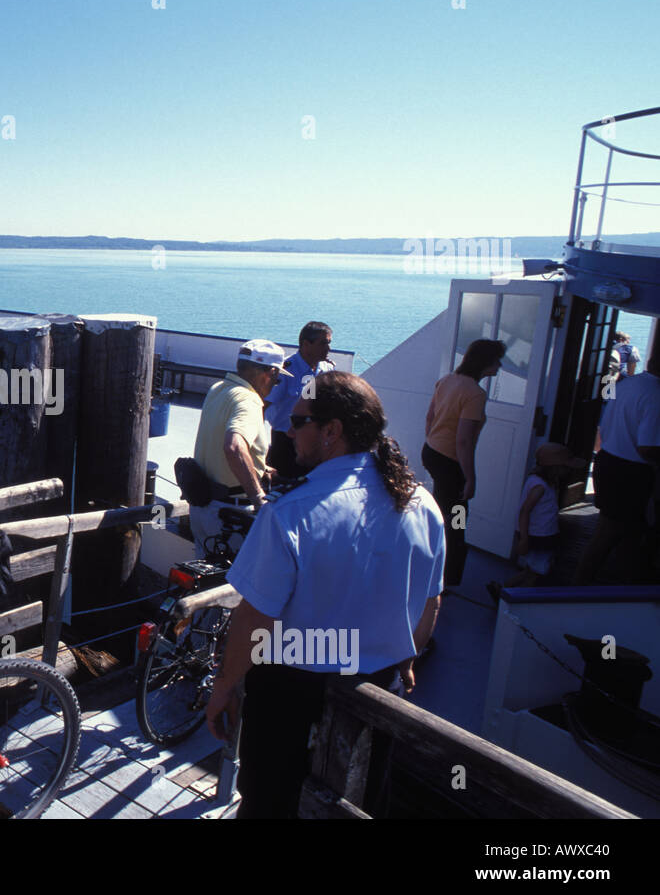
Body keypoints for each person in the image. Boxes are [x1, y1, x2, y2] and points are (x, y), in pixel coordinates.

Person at [204, 372, 446, 818]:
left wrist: (223, 687)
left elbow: (255, 621)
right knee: (356, 804)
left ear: (331, 431)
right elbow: (430, 604)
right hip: (379, 689)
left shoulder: (290, 513)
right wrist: (407, 662)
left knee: (269, 804)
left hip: (291, 694)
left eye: (299, 422)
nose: (290, 432)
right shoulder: (422, 503)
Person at [188, 340, 291, 554]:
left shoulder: (218, 388)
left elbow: (218, 440)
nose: (275, 384)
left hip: (202, 507)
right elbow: (234, 447)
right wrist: (259, 498)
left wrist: (261, 467)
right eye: (277, 379)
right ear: (270, 373)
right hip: (230, 513)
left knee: (205, 578)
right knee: (234, 583)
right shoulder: (249, 400)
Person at [421, 338, 506, 591]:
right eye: (497, 361)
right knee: (457, 522)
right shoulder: (475, 394)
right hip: (451, 465)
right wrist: (470, 479)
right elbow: (464, 441)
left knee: (442, 513)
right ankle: (446, 581)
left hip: (433, 453)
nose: (500, 365)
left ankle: (433, 568)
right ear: (485, 363)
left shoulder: (447, 381)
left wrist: (434, 442)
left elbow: (430, 418)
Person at [575, 350, 660, 584]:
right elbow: (647, 448)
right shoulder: (655, 395)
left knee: (626, 532)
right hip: (629, 471)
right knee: (608, 534)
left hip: (609, 461)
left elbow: (606, 425)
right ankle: (579, 587)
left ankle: (624, 585)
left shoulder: (627, 384)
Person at [499, 443, 585, 588]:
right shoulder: (540, 487)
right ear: (556, 468)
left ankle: (501, 589)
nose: (569, 471)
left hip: (541, 535)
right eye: (566, 467)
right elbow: (525, 511)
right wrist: (524, 540)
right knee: (536, 573)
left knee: (531, 570)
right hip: (538, 538)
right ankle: (516, 600)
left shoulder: (541, 481)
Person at [265, 321, 336, 479]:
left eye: (329, 343)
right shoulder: (286, 371)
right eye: (323, 343)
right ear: (306, 344)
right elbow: (263, 406)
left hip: (314, 441)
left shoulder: (327, 370)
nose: (328, 348)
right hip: (285, 442)